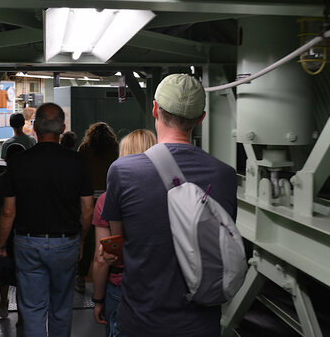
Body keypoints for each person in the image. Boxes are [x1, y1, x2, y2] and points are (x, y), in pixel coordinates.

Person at [101, 74, 238, 337]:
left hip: (142, 321)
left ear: (154, 109)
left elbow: (118, 241)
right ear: (201, 118)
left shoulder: (122, 171)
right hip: (200, 325)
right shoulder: (225, 175)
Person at [0, 103, 94, 337]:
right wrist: (80, 241)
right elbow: (87, 210)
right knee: (61, 308)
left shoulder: (18, 162)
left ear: (34, 127)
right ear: (63, 129)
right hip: (66, 242)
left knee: (33, 309)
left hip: (28, 244)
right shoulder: (78, 162)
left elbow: (8, 212)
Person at [92, 129, 157, 336]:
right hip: (161, 285)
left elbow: (101, 260)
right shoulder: (170, 193)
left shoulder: (106, 200)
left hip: (121, 286)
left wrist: (98, 299)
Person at [75, 122, 119, 294]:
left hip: (88, 197)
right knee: (107, 240)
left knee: (85, 239)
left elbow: (79, 172)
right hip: (108, 198)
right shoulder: (114, 148)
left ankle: (81, 276)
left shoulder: (85, 148)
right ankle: (107, 278)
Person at [0, 143, 25, 320]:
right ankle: (21, 315)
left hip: (4, 233)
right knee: (22, 273)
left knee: (2, 269)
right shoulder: (28, 182)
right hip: (24, 231)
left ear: (6, 159)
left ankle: (3, 300)